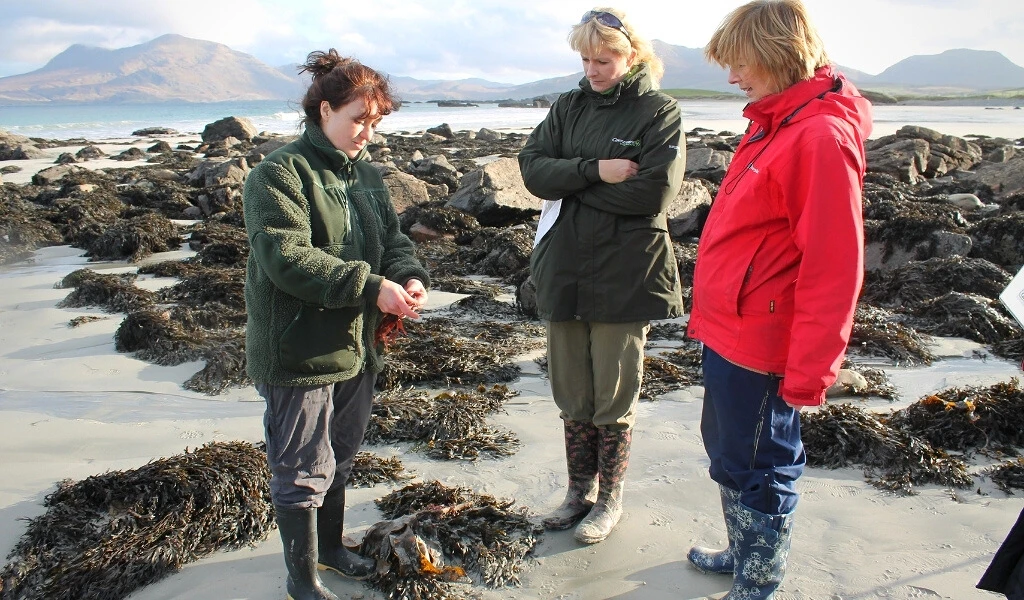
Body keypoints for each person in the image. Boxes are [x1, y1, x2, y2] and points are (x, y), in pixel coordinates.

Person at [685, 1, 872, 598]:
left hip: (764, 341)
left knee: (763, 462)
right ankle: (743, 553)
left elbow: (834, 267)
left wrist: (811, 370)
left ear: (777, 54)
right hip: (727, 327)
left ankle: (759, 579)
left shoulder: (818, 137)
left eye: (740, 63)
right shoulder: (774, 122)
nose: (732, 77)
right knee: (728, 450)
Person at [243, 49, 429, 600]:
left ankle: (330, 549)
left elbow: (392, 241)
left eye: (376, 122)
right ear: (325, 110)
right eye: (358, 120)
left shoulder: (366, 175)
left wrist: (408, 276)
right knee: (300, 468)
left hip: (357, 346)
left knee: (340, 454)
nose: (367, 133)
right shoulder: (278, 174)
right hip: (298, 348)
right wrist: (372, 287)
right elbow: (286, 258)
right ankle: (302, 580)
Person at [518, 7, 686, 545]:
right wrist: (596, 171)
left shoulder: (659, 111)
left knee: (614, 391)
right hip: (565, 265)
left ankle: (609, 499)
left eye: (604, 60)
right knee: (571, 389)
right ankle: (577, 493)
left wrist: (571, 185)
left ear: (630, 55)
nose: (592, 70)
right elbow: (532, 170)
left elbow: (653, 193)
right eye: (586, 60)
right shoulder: (567, 107)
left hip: (626, 270)